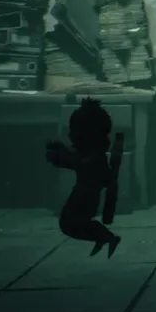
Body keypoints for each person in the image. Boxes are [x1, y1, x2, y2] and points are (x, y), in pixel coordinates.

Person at [45, 98, 122, 257]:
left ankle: (107, 237)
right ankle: (105, 237)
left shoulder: (93, 157)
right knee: (73, 223)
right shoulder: (93, 155)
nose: (71, 135)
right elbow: (75, 161)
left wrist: (60, 154)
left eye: (75, 131)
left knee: (70, 223)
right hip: (85, 195)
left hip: (85, 196)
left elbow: (77, 163)